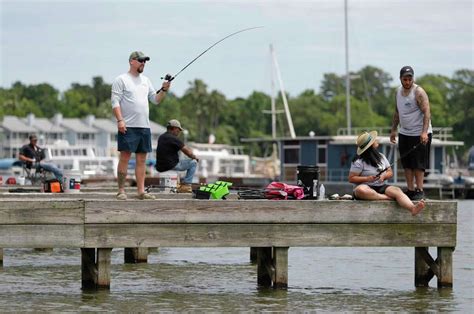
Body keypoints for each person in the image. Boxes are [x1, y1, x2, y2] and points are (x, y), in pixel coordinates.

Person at [111, 51, 171, 200]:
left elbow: (155, 100)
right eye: (140, 60)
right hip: (127, 125)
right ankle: (121, 191)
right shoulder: (121, 80)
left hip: (144, 127)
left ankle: (141, 192)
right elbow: (115, 102)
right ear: (132, 61)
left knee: (142, 160)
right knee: (124, 157)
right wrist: (120, 120)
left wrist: (164, 89)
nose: (143, 63)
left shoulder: (146, 80)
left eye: (145, 61)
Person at [349, 131, 425, 216]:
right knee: (360, 190)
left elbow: (390, 172)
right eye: (374, 140)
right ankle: (388, 198)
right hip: (365, 187)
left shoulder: (381, 157)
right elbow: (351, 178)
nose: (376, 140)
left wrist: (384, 176)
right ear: (370, 146)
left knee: (396, 190)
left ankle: (412, 208)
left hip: (381, 186)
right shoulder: (358, 161)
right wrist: (367, 178)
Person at [390, 66, 432, 200]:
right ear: (400, 79)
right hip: (405, 132)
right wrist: (393, 130)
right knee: (406, 163)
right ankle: (410, 189)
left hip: (419, 132)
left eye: (410, 79)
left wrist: (424, 132)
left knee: (418, 164)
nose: (407, 82)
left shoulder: (418, 92)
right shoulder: (397, 92)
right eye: (405, 79)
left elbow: (427, 112)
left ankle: (420, 190)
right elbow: (397, 112)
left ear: (413, 78)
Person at [155, 119, 199, 193]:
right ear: (174, 128)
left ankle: (181, 185)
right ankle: (186, 185)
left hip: (160, 167)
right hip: (171, 165)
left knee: (179, 162)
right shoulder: (173, 138)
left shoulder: (161, 137)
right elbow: (187, 151)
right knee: (193, 162)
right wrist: (194, 157)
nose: (179, 133)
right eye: (178, 130)